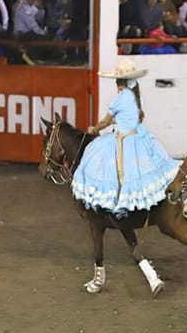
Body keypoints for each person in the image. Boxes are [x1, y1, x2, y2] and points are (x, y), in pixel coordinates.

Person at [71, 59, 179, 218]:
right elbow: (136, 118)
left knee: (99, 159)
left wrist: (95, 129)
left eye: (117, 81)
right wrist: (120, 121)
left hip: (124, 140)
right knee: (145, 168)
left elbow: (104, 122)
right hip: (138, 135)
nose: (116, 84)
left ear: (121, 82)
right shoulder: (137, 98)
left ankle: (117, 203)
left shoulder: (119, 100)